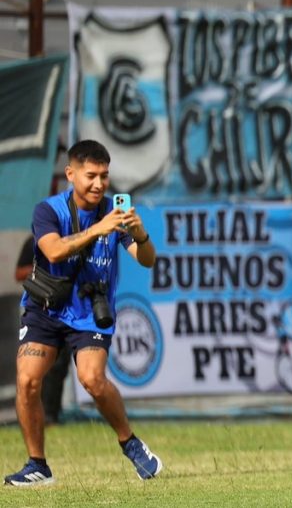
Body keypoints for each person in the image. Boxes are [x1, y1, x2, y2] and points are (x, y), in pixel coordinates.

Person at [5, 140, 162, 487]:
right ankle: (37, 466)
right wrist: (97, 229)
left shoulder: (115, 212)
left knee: (92, 379)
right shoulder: (48, 211)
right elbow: (54, 251)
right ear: (71, 174)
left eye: (105, 176)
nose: (99, 184)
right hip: (45, 308)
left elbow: (147, 259)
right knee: (28, 381)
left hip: (91, 310)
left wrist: (139, 233)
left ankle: (130, 443)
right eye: (91, 176)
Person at [15, 237, 71, 426]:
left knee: (60, 365)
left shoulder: (68, 240)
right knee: (33, 370)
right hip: (38, 310)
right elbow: (18, 273)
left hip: (64, 310)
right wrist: (42, 269)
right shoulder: (33, 241)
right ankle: (33, 416)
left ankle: (51, 414)